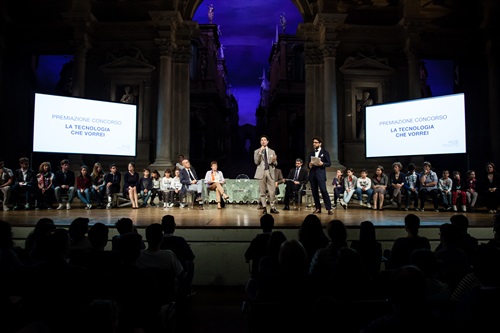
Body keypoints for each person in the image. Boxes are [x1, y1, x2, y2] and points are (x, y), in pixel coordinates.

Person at [308, 136, 333, 215]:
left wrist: (322, 164)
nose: (314, 144)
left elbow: (329, 163)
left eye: (316, 142)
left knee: (323, 190)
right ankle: (318, 208)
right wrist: (310, 165)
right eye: (313, 142)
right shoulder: (311, 153)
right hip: (313, 174)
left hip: (320, 174)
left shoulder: (325, 152)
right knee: (314, 192)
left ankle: (329, 208)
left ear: (320, 143)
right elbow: (308, 165)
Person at [254, 135, 279, 214]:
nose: (263, 141)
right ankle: (264, 207)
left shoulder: (272, 151)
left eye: (265, 140)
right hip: (261, 172)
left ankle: (272, 207)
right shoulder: (256, 151)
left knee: (272, 191)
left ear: (267, 142)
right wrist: (260, 152)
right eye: (261, 140)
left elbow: (275, 163)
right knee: (262, 192)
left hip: (270, 171)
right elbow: (256, 162)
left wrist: (274, 161)